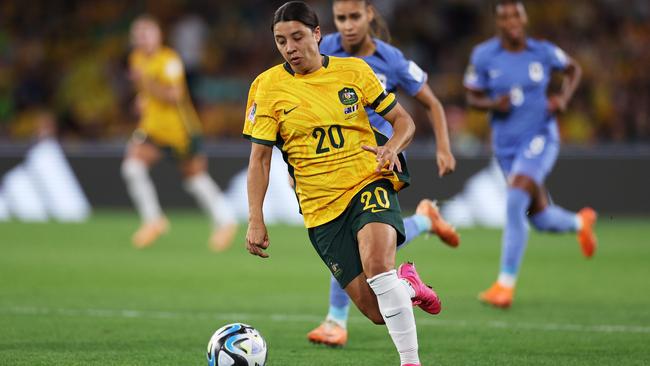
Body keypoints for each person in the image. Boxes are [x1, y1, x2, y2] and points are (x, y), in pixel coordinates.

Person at [245, 2, 439, 365]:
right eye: (281, 41)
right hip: (320, 211)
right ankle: (409, 284)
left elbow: (404, 121)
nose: (290, 48)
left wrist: (391, 148)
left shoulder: (354, 72)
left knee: (379, 267)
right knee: (379, 311)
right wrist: (255, 217)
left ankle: (411, 362)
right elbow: (259, 160)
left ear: (317, 35)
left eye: (298, 37)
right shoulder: (266, 87)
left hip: (368, 181)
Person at [307, 0, 459, 347]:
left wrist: (444, 147)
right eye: (341, 18)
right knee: (370, 243)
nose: (347, 25)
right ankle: (425, 220)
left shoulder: (391, 59)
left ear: (369, 15)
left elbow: (432, 103)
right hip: (335, 161)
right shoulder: (324, 50)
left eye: (354, 17)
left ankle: (335, 320)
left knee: (357, 237)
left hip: (380, 161)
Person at [463, 0, 597, 308]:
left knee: (513, 201)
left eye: (515, 14)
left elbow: (573, 69)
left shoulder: (543, 51)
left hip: (540, 137)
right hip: (506, 146)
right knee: (538, 217)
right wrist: (493, 105)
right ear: (498, 22)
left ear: (524, 18)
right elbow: (472, 95)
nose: (510, 20)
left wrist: (563, 97)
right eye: (504, 15)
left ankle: (504, 286)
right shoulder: (484, 55)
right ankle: (581, 223)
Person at [122, 15, 237, 251]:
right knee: (132, 168)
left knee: (195, 179)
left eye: (147, 33)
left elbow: (174, 95)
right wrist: (141, 99)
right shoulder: (136, 59)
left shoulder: (169, 61)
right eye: (139, 35)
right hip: (153, 129)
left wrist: (147, 85)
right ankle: (154, 221)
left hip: (180, 130)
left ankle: (225, 221)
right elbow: (147, 92)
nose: (142, 39)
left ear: (158, 36)